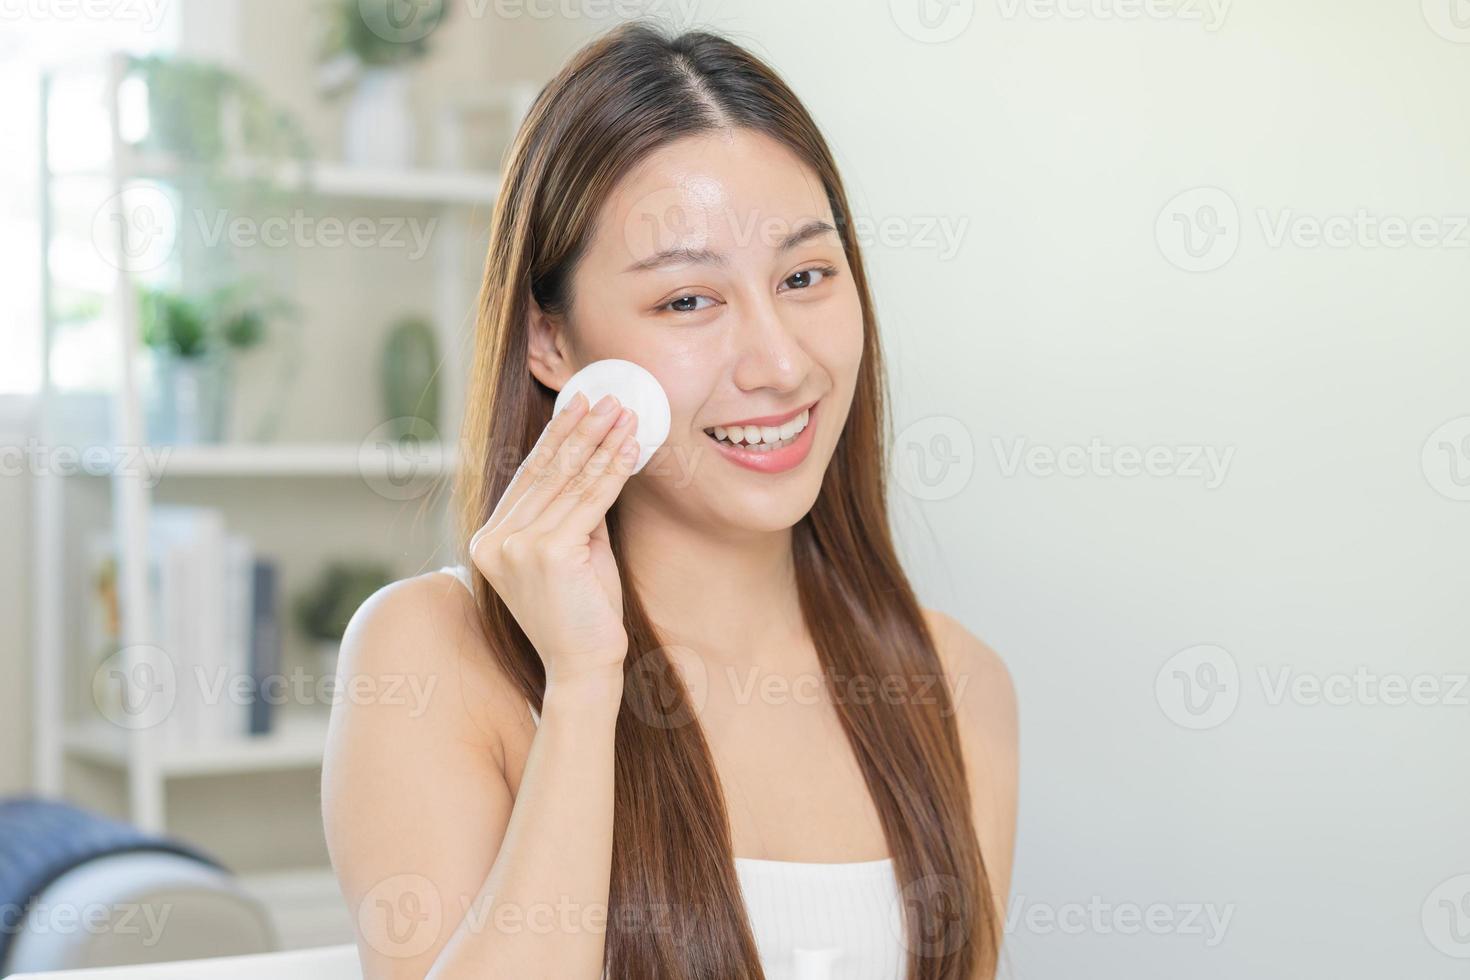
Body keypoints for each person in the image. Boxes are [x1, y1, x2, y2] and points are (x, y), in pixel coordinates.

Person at [322, 19, 1017, 979]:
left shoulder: (955, 683)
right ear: (550, 343)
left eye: (806, 276)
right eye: (688, 300)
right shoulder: (429, 657)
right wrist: (582, 686)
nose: (780, 364)